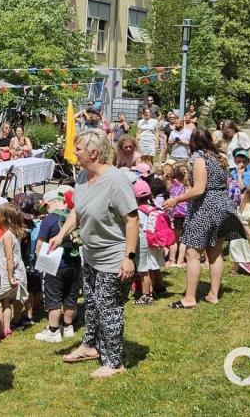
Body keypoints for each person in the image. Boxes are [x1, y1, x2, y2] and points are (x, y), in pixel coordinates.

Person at [47, 130, 137, 378]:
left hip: (115, 256)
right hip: (92, 254)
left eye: (78, 149)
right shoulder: (83, 176)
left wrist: (128, 258)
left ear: (94, 153)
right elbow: (78, 210)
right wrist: (61, 234)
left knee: (109, 308)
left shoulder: (116, 180)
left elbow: (132, 220)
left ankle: (114, 362)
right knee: (93, 304)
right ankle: (90, 346)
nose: (74, 152)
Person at [162, 128, 245, 309]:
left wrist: (176, 199)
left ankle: (189, 298)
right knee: (215, 252)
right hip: (223, 206)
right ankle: (213, 295)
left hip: (206, 208)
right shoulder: (218, 158)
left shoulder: (199, 159)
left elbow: (199, 189)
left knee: (192, 254)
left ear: (192, 142)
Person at [33, 189, 80, 343]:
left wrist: (39, 260)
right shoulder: (73, 216)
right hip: (74, 262)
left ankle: (53, 331)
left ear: (49, 204)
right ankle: (68, 327)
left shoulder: (49, 220)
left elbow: (39, 245)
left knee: (53, 297)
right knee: (70, 295)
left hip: (55, 263)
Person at [0, 203, 28, 339]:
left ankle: (0, 329)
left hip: (6, 271)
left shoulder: (7, 235)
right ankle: (7, 328)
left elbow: (9, 257)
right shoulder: (15, 233)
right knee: (6, 301)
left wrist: (10, 276)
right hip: (17, 268)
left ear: (6, 218)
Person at [132, 180, 165, 305]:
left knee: (147, 268)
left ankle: (149, 293)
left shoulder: (138, 211)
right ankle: (159, 286)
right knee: (155, 266)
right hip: (156, 241)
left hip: (146, 242)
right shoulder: (155, 208)